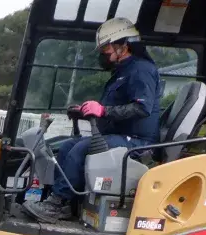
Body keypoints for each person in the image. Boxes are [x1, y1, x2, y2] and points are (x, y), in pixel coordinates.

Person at [25, 17, 162, 223]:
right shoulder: (122, 72)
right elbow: (113, 108)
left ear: (123, 46)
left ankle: (55, 204)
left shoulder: (141, 70)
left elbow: (142, 107)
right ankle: (67, 205)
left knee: (81, 149)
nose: (102, 53)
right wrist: (85, 111)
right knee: (68, 145)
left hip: (138, 142)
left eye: (106, 48)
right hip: (117, 136)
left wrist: (102, 110)